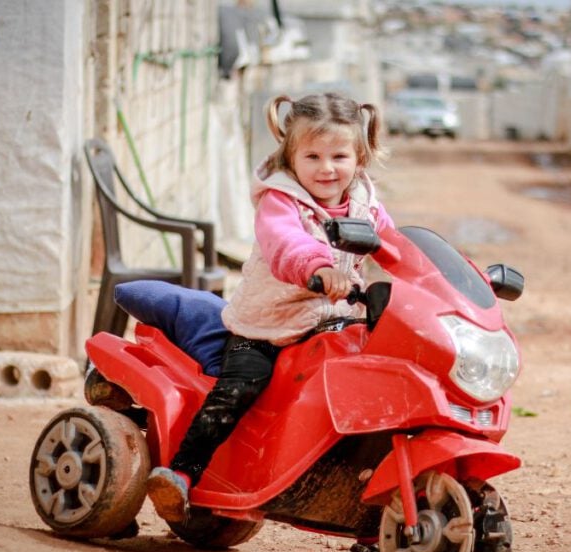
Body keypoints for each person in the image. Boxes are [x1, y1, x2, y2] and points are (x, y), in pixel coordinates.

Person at [145, 92, 394, 523]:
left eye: (339, 156)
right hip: (268, 325)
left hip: (332, 323)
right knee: (240, 388)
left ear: (360, 157)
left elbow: (395, 245)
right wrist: (317, 268)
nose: (327, 168)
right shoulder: (280, 200)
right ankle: (183, 473)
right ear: (290, 156)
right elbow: (286, 243)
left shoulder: (365, 204)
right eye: (312, 156)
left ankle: (361, 498)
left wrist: (439, 274)